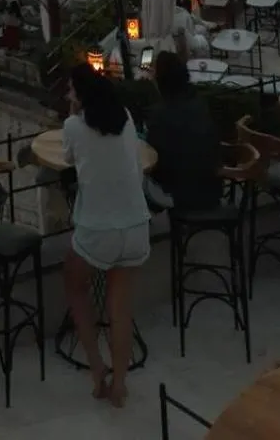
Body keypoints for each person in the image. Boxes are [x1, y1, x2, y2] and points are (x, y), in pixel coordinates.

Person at [61, 62, 150, 408]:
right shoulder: (125, 117)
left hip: (99, 229)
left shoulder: (73, 126)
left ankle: (97, 369)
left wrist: (72, 113)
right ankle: (120, 385)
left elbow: (69, 155)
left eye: (71, 91)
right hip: (135, 225)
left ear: (80, 96)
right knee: (120, 308)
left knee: (74, 286)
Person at [144, 53, 223, 212]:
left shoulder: (160, 114)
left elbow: (155, 162)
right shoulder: (199, 103)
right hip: (212, 189)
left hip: (180, 195)